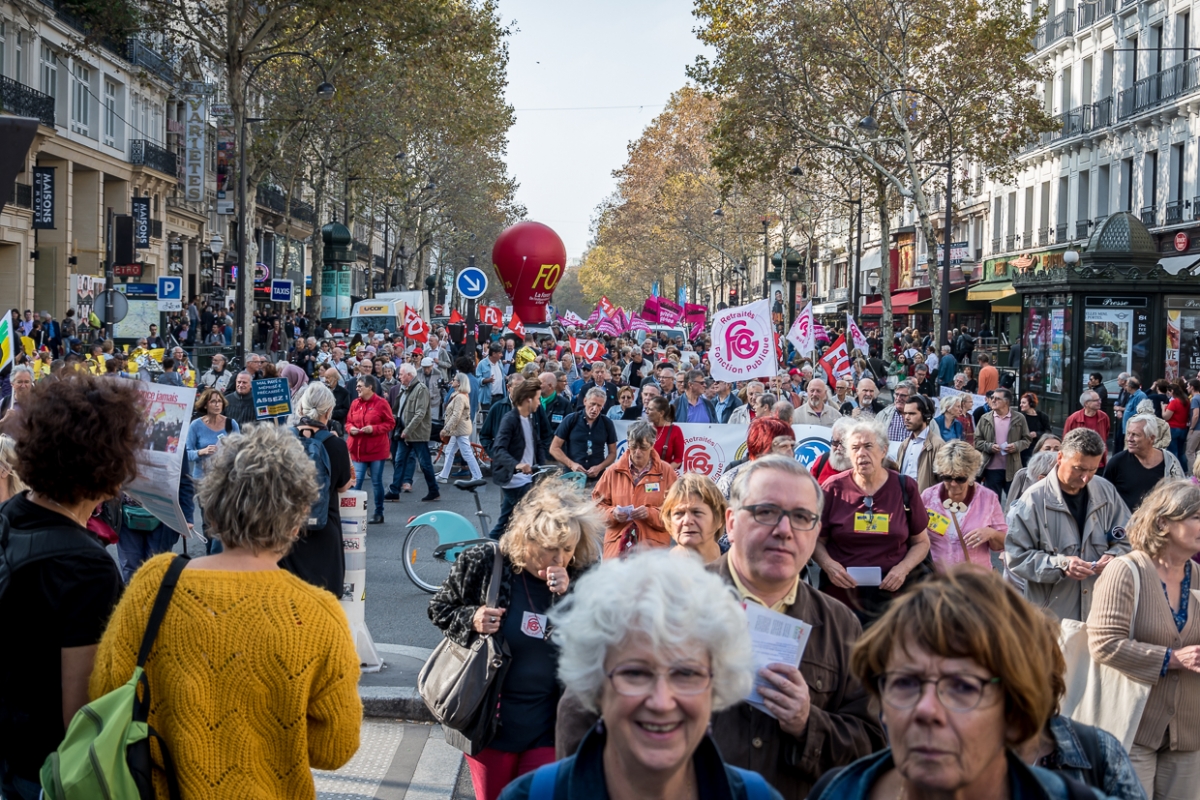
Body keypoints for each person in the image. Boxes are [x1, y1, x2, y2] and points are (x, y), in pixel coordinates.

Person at [88, 425, 362, 799]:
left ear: (213, 502)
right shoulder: (318, 614)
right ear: (298, 516)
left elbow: (105, 691)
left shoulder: (156, 583)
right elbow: (335, 747)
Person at [807, 568, 1123, 800]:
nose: (926, 710)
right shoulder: (835, 792)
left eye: (962, 687)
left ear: (1015, 713)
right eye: (905, 683)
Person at [503, 551, 782, 800]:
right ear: (596, 684)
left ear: (716, 686)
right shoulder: (532, 796)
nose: (661, 702)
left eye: (686, 673)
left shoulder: (756, 795)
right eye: (635, 673)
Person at [0, 375, 143, 799]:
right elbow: (81, 716)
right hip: (44, 773)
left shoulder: (9, 515)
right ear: (105, 461)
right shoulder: (86, 567)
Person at [429, 480, 603, 800]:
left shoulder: (581, 575)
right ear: (528, 538)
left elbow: (599, 637)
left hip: (549, 726)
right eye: (552, 548)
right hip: (491, 726)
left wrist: (571, 595)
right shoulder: (486, 562)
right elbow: (439, 609)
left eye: (568, 549)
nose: (560, 558)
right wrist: (473, 618)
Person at [1088, 479, 1200, 800]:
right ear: (1163, 522)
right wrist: (1172, 659)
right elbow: (1104, 642)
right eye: (1196, 517)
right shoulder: (1126, 570)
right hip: (1132, 728)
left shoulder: (1199, 576)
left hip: (1189, 734)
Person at [1006, 428, 1132, 621]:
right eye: (1079, 468)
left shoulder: (1106, 491)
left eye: (1093, 470)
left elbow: (1127, 535)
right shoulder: (1032, 501)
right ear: (1060, 458)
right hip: (1053, 620)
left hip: (1101, 613)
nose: (1085, 477)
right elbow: (1017, 558)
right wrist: (1061, 565)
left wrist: (1114, 555)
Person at [815, 419, 931, 624]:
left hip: (893, 595)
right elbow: (816, 541)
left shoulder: (905, 487)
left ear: (883, 450)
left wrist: (902, 569)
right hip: (842, 596)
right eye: (855, 448)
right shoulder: (832, 488)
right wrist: (829, 565)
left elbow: (921, 542)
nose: (861, 454)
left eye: (868, 446)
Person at [279, 382, 353, 596]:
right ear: (329, 412)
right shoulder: (336, 445)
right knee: (323, 610)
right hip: (324, 535)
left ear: (300, 409)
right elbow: (342, 485)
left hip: (286, 533)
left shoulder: (281, 440)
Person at [593, 421, 677, 558]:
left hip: (653, 551)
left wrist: (651, 514)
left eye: (643, 447)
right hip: (617, 549)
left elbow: (676, 511)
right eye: (633, 446)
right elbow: (596, 507)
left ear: (652, 444)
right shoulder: (612, 472)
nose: (637, 452)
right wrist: (613, 513)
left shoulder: (666, 472)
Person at [920, 441, 1007, 571]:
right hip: (937, 581)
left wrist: (991, 534)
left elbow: (1005, 542)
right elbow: (916, 538)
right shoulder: (928, 496)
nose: (953, 484)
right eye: (948, 478)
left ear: (971, 474)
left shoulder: (988, 498)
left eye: (960, 479)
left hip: (974, 582)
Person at [489, 380, 547, 540]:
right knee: (532, 518)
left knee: (505, 523)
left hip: (526, 479)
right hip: (514, 480)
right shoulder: (510, 419)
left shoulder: (528, 418)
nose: (539, 403)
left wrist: (543, 466)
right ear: (528, 399)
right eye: (537, 399)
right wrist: (517, 465)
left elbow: (537, 444)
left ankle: (492, 549)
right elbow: (499, 449)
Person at [1103, 413, 1185, 512]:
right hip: (1126, 524)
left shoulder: (1169, 462)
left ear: (1151, 438)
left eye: (1135, 435)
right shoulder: (1117, 462)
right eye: (1128, 433)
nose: (1129, 439)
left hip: (1159, 523)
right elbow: (1104, 496)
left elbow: (1181, 494)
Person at [385, 362, 440, 503]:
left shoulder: (421, 389)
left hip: (416, 433)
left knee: (424, 462)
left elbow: (420, 413)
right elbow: (399, 409)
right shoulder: (405, 389)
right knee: (399, 461)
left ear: (410, 375)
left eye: (401, 374)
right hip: (405, 432)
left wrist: (408, 430)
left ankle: (433, 490)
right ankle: (394, 490)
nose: (399, 377)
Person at [347, 374, 394, 525]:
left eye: (360, 386)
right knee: (357, 480)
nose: (357, 388)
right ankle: (353, 514)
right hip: (358, 449)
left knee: (376, 482)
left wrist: (373, 429)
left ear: (370, 387)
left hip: (376, 449)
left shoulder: (381, 403)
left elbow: (390, 423)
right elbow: (348, 422)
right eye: (357, 386)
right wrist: (351, 429)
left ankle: (379, 512)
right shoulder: (355, 403)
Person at [716, 417, 794, 499]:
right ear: (762, 448)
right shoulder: (730, 481)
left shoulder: (797, 482)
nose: (790, 453)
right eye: (783, 446)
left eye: (791, 446)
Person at [550, 387, 618, 480]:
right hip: (572, 478)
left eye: (599, 406)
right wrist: (571, 465)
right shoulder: (571, 419)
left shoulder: (607, 423)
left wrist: (600, 467)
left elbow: (613, 453)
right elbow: (554, 448)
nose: (595, 409)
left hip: (597, 479)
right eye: (592, 404)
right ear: (585, 401)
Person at [974, 387, 1030, 500]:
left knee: (1014, 503)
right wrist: (989, 447)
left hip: (1013, 468)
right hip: (991, 468)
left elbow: (1027, 440)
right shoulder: (985, 418)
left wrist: (1016, 446)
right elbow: (977, 441)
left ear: (1007, 402)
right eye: (992, 398)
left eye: (997, 399)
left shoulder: (1019, 418)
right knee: (991, 503)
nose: (993, 400)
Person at [662, 472, 727, 563]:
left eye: (697, 512)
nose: (687, 521)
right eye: (679, 513)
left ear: (720, 519)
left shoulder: (739, 568)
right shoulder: (657, 571)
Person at [437, 372, 484, 484]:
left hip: (459, 429)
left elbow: (456, 415)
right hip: (459, 429)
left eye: (454, 379)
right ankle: (444, 475)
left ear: (459, 383)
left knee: (466, 452)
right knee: (450, 451)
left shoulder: (460, 397)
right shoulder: (459, 395)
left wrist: (446, 429)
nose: (452, 381)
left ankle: (477, 476)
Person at [186, 387, 239, 478]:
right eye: (213, 401)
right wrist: (201, 452)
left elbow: (240, 450)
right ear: (205, 405)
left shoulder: (231, 423)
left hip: (224, 478)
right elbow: (187, 453)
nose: (217, 404)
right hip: (201, 478)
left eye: (219, 401)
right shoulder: (195, 425)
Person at [897, 394, 945, 493]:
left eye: (912, 413)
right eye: (905, 413)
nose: (906, 418)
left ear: (926, 416)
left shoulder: (938, 446)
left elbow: (943, 484)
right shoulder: (904, 444)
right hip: (901, 502)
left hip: (924, 505)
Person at [1064, 390, 1112, 468]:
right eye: (1096, 400)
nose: (1100, 402)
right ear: (1086, 403)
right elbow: (1066, 440)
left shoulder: (1104, 417)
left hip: (1099, 462)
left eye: (1099, 399)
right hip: (1079, 462)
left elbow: (1106, 434)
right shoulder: (1073, 419)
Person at [644, 395, 684, 471]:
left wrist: (664, 471)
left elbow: (678, 459)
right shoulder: (645, 429)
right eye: (646, 408)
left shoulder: (675, 430)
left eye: (650, 409)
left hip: (663, 476)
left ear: (661, 413)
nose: (646, 412)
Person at [1019, 392, 1052, 467]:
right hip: (1024, 448)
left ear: (1031, 404)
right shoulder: (1020, 417)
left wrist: (1037, 434)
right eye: (1021, 403)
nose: (1021, 405)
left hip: (1038, 447)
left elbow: (1048, 432)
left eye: (1023, 403)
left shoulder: (1042, 416)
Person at [1164, 383, 1190, 463]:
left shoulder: (1174, 402)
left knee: (1173, 452)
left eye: (1169, 392)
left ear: (1172, 391)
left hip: (1173, 428)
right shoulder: (1186, 401)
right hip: (1183, 428)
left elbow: (1166, 416)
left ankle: (1175, 471)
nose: (1168, 394)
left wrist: (1163, 408)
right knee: (1181, 451)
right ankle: (1184, 470)